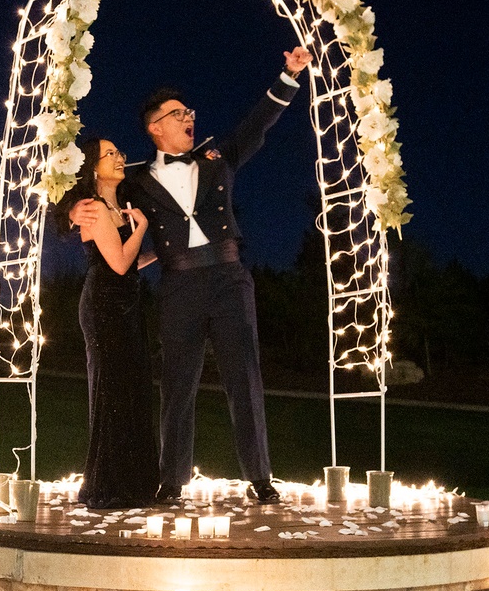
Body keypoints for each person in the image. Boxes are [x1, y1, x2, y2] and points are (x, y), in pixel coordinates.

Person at [72, 47, 312, 505]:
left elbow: (257, 124)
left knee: (244, 375)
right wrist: (70, 209)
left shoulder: (218, 157)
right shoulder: (137, 178)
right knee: (178, 384)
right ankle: (172, 479)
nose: (189, 118)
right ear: (155, 127)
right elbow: (88, 178)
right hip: (179, 285)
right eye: (178, 113)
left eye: (189, 112)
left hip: (228, 278)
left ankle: (260, 476)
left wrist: (289, 75)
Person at [54, 138, 159, 508]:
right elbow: (115, 265)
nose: (120, 158)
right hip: (104, 307)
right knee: (112, 392)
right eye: (111, 154)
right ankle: (108, 486)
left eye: (120, 152)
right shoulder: (93, 208)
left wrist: (156, 254)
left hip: (127, 304)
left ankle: (133, 483)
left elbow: (127, 262)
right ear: (92, 167)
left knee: (132, 389)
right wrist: (143, 228)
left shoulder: (118, 205)